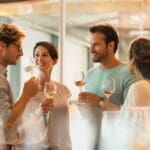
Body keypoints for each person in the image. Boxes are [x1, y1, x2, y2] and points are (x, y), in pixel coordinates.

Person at [0, 24, 51, 150]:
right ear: (1, 47)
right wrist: (26, 94)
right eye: (18, 47)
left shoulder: (3, 76)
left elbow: (12, 116)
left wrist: (38, 110)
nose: (22, 52)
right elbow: (6, 121)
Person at [79, 24, 137, 110]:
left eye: (96, 44)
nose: (91, 50)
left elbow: (131, 113)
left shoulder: (129, 73)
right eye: (91, 44)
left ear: (111, 45)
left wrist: (100, 102)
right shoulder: (90, 74)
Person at [26, 41, 72, 150]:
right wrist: (39, 112)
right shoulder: (28, 90)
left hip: (64, 147)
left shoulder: (63, 89)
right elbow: (21, 126)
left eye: (45, 55)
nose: (40, 58)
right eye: (37, 55)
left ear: (54, 60)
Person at [123, 37, 150, 107]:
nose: (126, 60)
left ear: (133, 60)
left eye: (127, 56)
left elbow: (129, 117)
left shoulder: (139, 87)